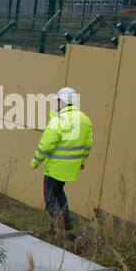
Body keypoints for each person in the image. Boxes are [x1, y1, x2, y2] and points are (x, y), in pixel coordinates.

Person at [31, 86, 92, 244]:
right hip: (71, 168)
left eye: (57, 100)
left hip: (56, 167)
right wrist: (82, 162)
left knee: (50, 197)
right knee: (59, 192)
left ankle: (60, 228)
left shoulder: (59, 120)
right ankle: (66, 223)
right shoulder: (84, 120)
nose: (56, 104)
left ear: (63, 101)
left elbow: (46, 144)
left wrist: (35, 162)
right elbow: (87, 144)